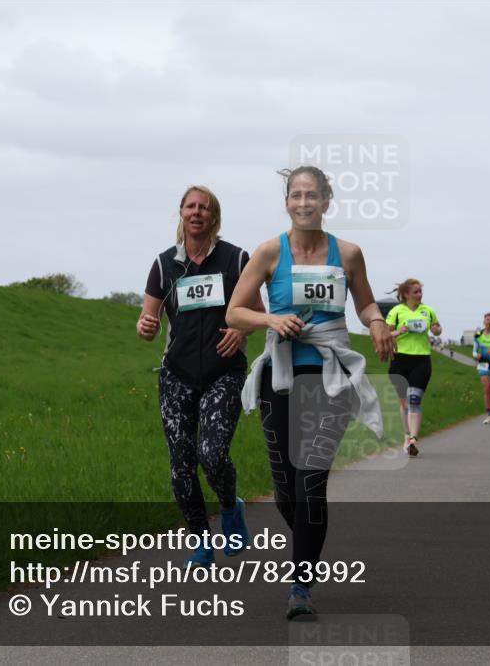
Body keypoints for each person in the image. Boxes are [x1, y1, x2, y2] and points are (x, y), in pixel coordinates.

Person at [227, 166, 393, 620]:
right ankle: (308, 541)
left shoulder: (350, 253)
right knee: (286, 490)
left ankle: (300, 586)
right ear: (287, 202)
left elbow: (364, 302)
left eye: (312, 195)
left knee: (310, 482)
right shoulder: (267, 253)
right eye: (296, 195)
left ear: (326, 201)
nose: (304, 203)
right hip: (278, 378)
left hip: (330, 377)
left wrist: (376, 322)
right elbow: (235, 312)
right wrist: (271, 320)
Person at [138, 185, 261, 568]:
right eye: (190, 207)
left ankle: (229, 506)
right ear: (181, 213)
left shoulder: (236, 258)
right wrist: (145, 325)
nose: (196, 213)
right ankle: (200, 542)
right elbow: (149, 318)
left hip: (224, 372)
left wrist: (242, 330)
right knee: (181, 465)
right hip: (177, 375)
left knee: (212, 453)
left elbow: (257, 309)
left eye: (204, 208)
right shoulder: (164, 265)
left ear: (214, 217)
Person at [385, 279, 442, 456]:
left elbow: (438, 330)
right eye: (416, 292)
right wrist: (399, 332)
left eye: (420, 292)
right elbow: (386, 334)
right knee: (405, 403)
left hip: (421, 360)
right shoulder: (396, 311)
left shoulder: (428, 311)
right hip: (400, 360)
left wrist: (435, 328)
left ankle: (413, 440)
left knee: (414, 400)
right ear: (406, 294)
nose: (419, 295)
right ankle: (407, 435)